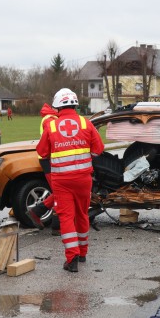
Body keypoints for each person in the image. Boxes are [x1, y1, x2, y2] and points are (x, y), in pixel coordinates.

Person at [36, 88, 104, 273]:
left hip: (62, 181)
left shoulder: (51, 126)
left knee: (66, 217)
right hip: (83, 179)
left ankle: (71, 258)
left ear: (57, 106)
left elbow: (42, 152)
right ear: (75, 104)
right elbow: (98, 149)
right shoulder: (85, 123)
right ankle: (82, 253)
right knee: (82, 214)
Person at [26, 103, 59, 229]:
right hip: (49, 159)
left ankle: (56, 224)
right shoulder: (50, 119)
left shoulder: (50, 118)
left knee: (60, 191)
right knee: (59, 192)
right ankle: (55, 224)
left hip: (49, 158)